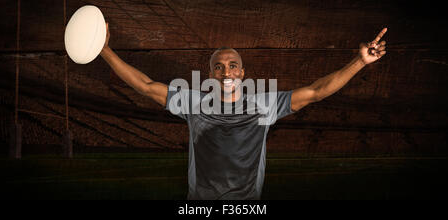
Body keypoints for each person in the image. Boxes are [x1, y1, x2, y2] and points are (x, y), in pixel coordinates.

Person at [100, 23, 387, 200]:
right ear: (210, 75)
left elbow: (316, 91)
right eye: (219, 66)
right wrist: (105, 50)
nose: (227, 71)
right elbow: (146, 85)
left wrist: (360, 62)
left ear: (243, 73)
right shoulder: (193, 103)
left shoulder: (263, 106)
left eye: (233, 65)